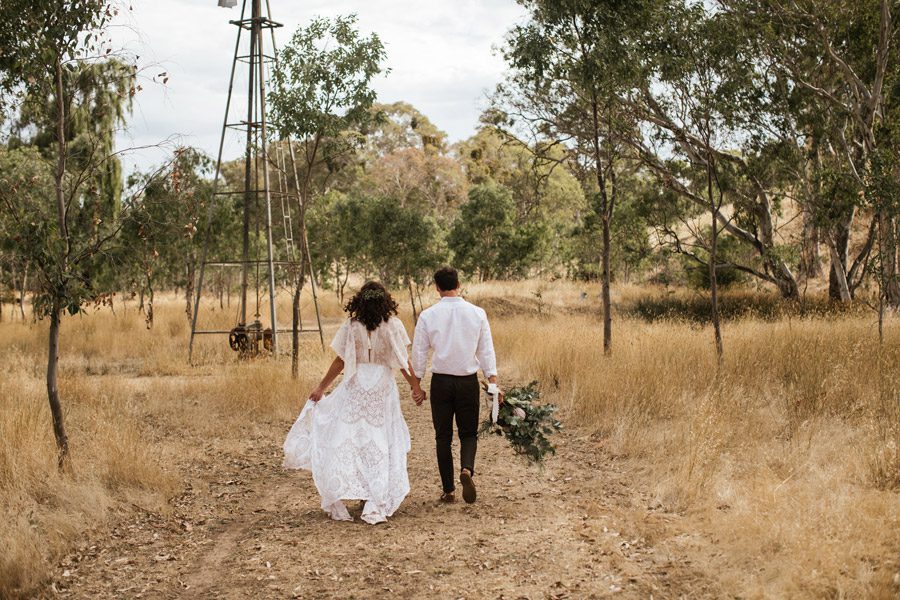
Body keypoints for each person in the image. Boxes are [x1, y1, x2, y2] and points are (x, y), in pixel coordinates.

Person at [283, 281, 425, 524]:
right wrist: (415, 386)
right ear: (385, 301)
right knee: (380, 439)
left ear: (360, 301)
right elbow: (402, 361)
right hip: (381, 386)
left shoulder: (352, 326)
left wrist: (321, 387)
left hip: (357, 383)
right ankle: (373, 494)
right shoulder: (394, 325)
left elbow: (340, 362)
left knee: (353, 438)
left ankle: (361, 492)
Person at [412, 266, 501, 504]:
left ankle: (449, 489)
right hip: (467, 381)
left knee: (443, 436)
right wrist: (492, 381)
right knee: (468, 433)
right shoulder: (477, 313)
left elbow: (419, 352)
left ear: (437, 287)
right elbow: (486, 349)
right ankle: (467, 470)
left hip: (441, 381)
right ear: (458, 284)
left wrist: (417, 384)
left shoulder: (428, 315)